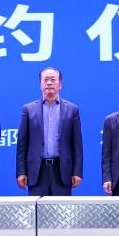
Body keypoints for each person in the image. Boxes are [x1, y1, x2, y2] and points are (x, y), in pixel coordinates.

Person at [16, 66, 83, 196]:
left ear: (60, 84)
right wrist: (21, 172)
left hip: (62, 170)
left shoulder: (72, 109)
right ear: (40, 84)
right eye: (45, 80)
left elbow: (77, 144)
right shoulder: (28, 109)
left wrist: (77, 172)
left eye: (53, 79)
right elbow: (22, 144)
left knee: (61, 209)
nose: (49, 83)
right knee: (37, 209)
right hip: (37, 170)